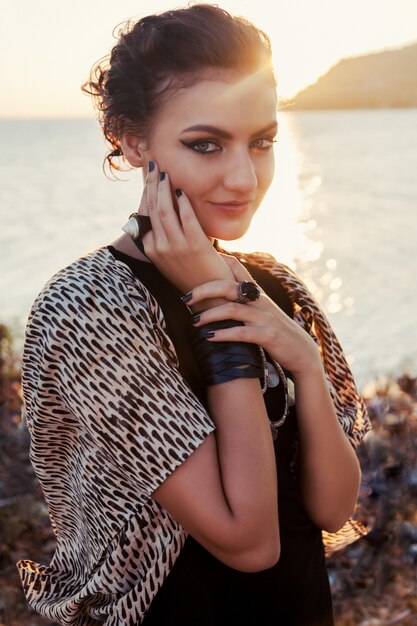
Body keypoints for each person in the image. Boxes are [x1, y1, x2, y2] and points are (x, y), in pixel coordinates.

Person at [17, 5, 371, 625]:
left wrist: (307, 365)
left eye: (261, 142)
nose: (243, 177)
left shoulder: (274, 283)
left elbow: (333, 508)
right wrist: (216, 307)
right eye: (205, 144)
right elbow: (249, 542)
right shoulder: (89, 308)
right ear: (133, 140)